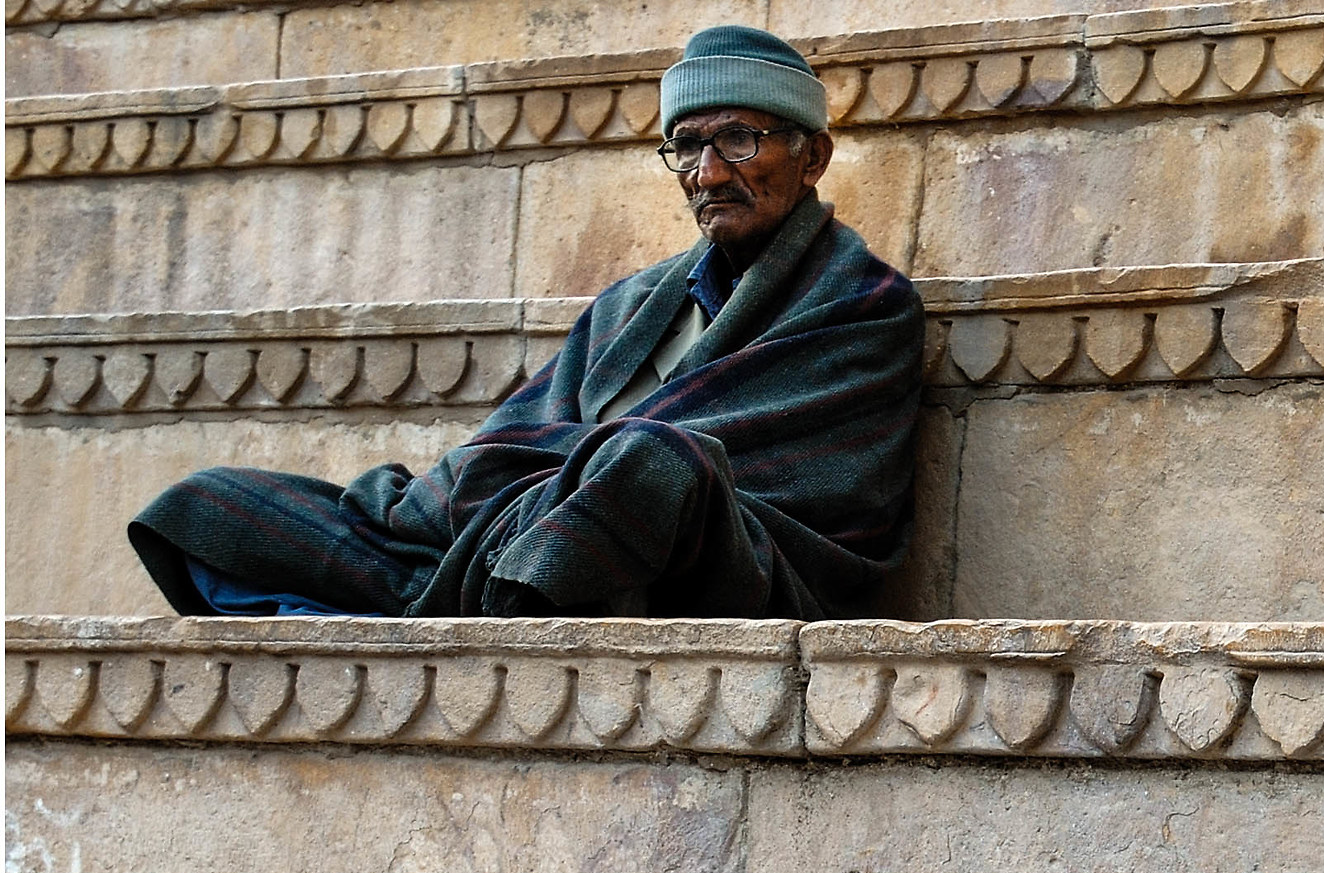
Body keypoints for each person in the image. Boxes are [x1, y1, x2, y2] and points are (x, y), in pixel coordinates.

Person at [127, 26, 924, 619]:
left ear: (812, 157)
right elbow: (505, 441)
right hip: (524, 537)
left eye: (738, 141)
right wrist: (476, 488)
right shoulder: (629, 304)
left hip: (727, 562)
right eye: (685, 148)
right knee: (212, 504)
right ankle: (444, 597)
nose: (707, 173)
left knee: (652, 461)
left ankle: (435, 603)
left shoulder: (862, 305)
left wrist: (558, 473)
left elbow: (777, 484)